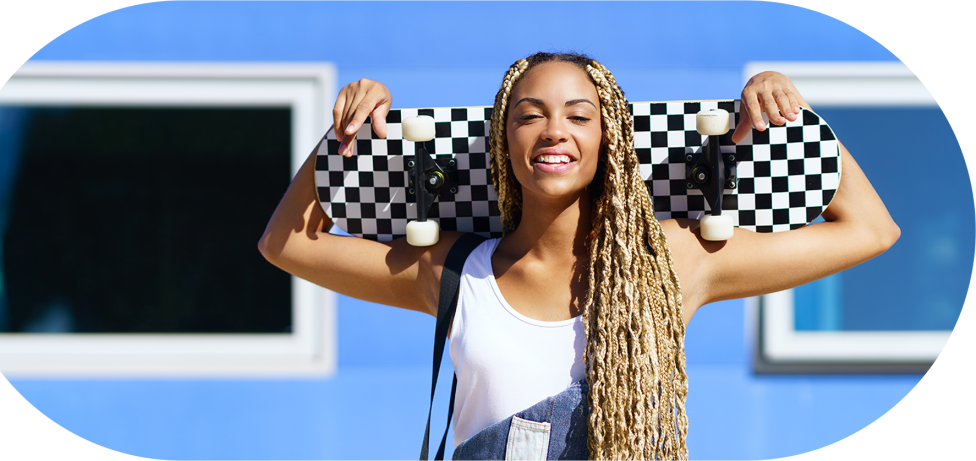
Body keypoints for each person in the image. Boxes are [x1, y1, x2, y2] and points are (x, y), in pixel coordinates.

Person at [257, 52, 899, 461]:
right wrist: (339, 134)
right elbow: (285, 243)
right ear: (502, 143)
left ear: (609, 139)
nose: (553, 130)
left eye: (578, 115)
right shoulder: (453, 271)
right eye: (528, 116)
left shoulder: (673, 263)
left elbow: (870, 230)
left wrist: (794, 119)